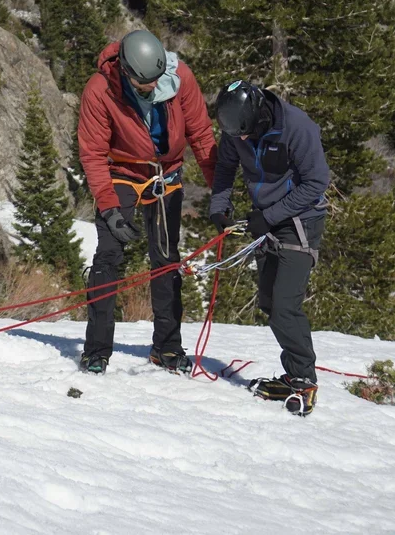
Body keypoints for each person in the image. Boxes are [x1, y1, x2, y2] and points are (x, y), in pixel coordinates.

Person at [77, 30, 218, 375]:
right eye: (145, 84)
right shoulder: (100, 90)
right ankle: (96, 350)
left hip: (165, 175)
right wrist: (109, 209)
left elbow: (200, 135)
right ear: (125, 71)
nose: (153, 89)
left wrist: (221, 192)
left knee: (166, 261)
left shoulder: (179, 77)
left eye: (156, 81)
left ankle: (167, 348)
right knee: (108, 256)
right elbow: (93, 154)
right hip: (121, 173)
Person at [209, 80, 329, 416]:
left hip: (300, 223)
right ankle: (292, 375)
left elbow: (317, 182)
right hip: (266, 221)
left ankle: (304, 381)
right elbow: (225, 168)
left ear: (261, 116)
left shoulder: (297, 128)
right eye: (237, 135)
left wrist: (271, 216)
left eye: (246, 134)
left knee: (284, 306)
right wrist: (219, 206)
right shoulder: (237, 127)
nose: (241, 140)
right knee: (267, 302)